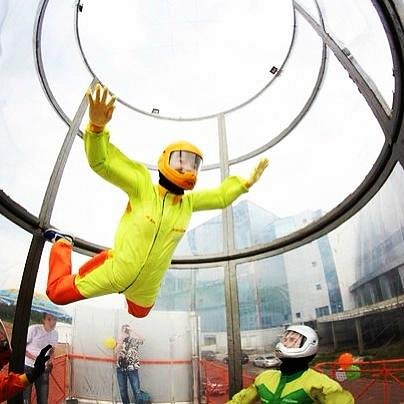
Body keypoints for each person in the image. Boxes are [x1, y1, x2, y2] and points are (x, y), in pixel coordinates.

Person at [44, 84, 269, 318]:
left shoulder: (188, 204)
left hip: (146, 286)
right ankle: (63, 244)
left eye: (194, 164)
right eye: (181, 160)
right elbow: (101, 163)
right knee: (57, 293)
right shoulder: (142, 186)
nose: (188, 168)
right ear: (164, 161)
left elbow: (221, 197)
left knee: (140, 313)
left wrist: (244, 184)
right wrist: (97, 128)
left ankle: (128, 291)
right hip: (114, 271)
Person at [227, 325, 354, 403]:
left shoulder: (321, 384)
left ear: (309, 345)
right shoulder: (264, 378)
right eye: (284, 339)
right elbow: (239, 401)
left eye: (292, 340)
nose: (285, 343)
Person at [0, 319, 52, 402]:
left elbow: (7, 386)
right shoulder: (33, 330)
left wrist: (34, 373)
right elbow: (7, 386)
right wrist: (34, 373)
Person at [24, 313, 58, 404]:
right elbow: (22, 348)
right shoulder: (34, 329)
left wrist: (50, 360)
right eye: (49, 319)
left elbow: (52, 350)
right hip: (28, 367)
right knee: (25, 398)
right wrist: (35, 358)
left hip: (43, 369)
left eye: (55, 319)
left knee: (43, 399)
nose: (52, 322)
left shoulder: (55, 334)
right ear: (43, 320)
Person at [115, 324, 144, 404]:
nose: (126, 332)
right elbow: (116, 352)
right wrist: (121, 339)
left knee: (136, 390)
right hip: (120, 368)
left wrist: (132, 329)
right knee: (123, 390)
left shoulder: (134, 340)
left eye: (127, 330)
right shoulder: (119, 340)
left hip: (132, 368)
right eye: (124, 330)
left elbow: (143, 339)